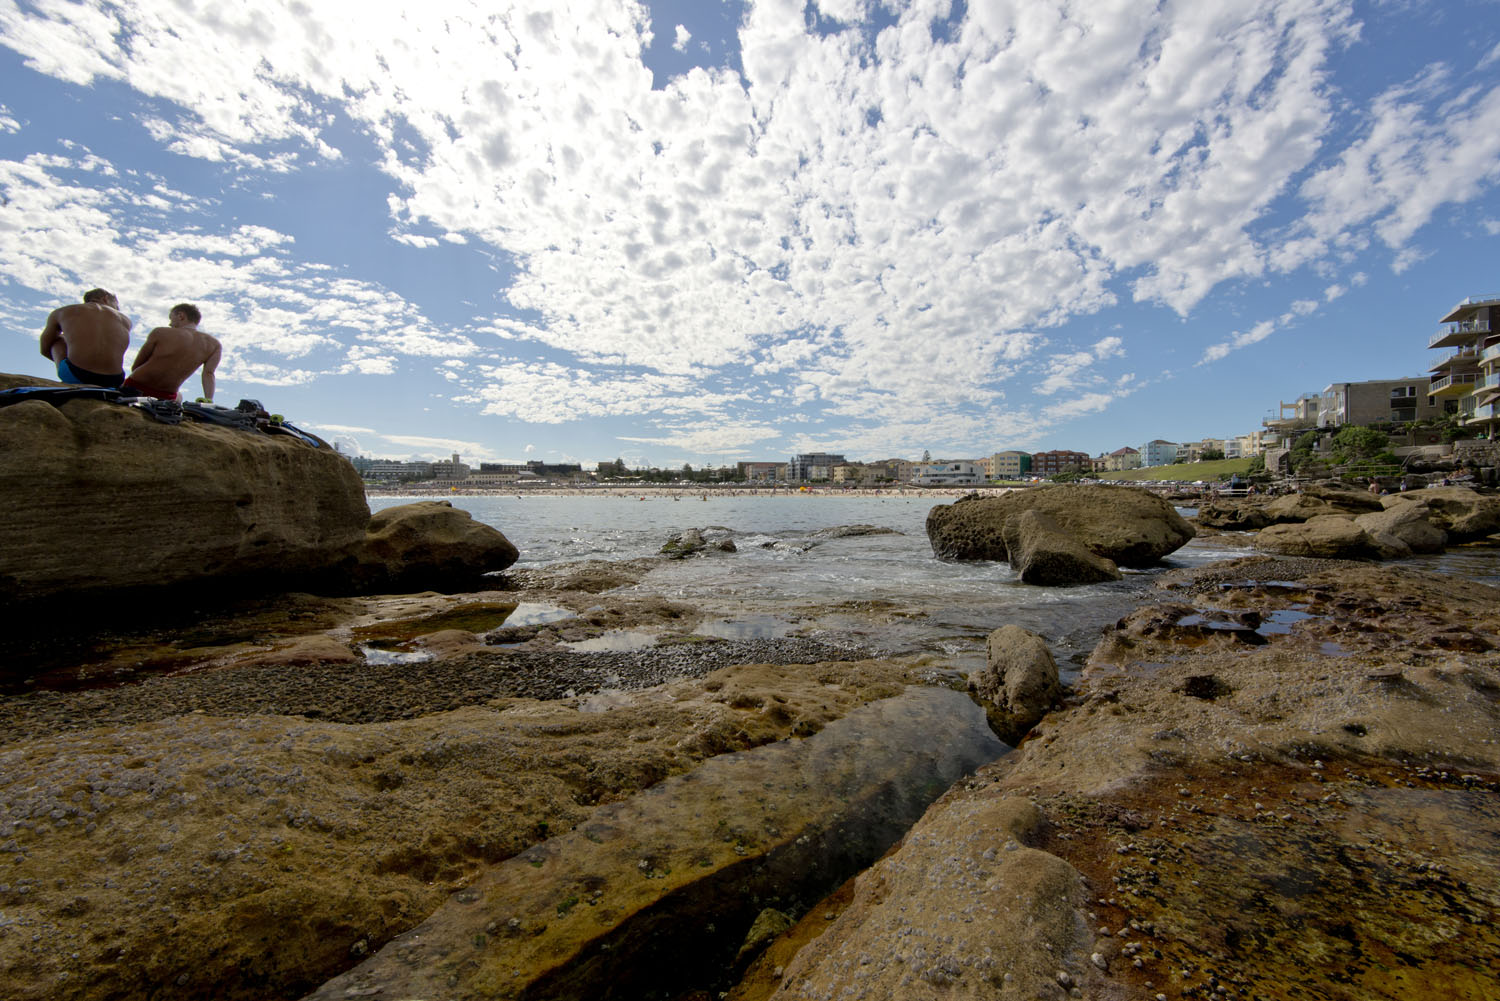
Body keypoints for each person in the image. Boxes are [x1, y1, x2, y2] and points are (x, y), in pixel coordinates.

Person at [122, 303, 222, 401]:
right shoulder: (214, 345)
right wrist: (208, 400)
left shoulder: (160, 332)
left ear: (181, 316)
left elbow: (136, 366)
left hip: (136, 387)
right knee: (179, 397)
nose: (170, 324)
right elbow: (208, 374)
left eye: (171, 318)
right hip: (166, 395)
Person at [38, 288, 132, 388]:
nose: (117, 309)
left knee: (58, 340)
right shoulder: (126, 320)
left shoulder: (62, 311)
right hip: (115, 380)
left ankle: (70, 376)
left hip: (78, 375)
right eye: (116, 305)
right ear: (106, 298)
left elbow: (44, 349)